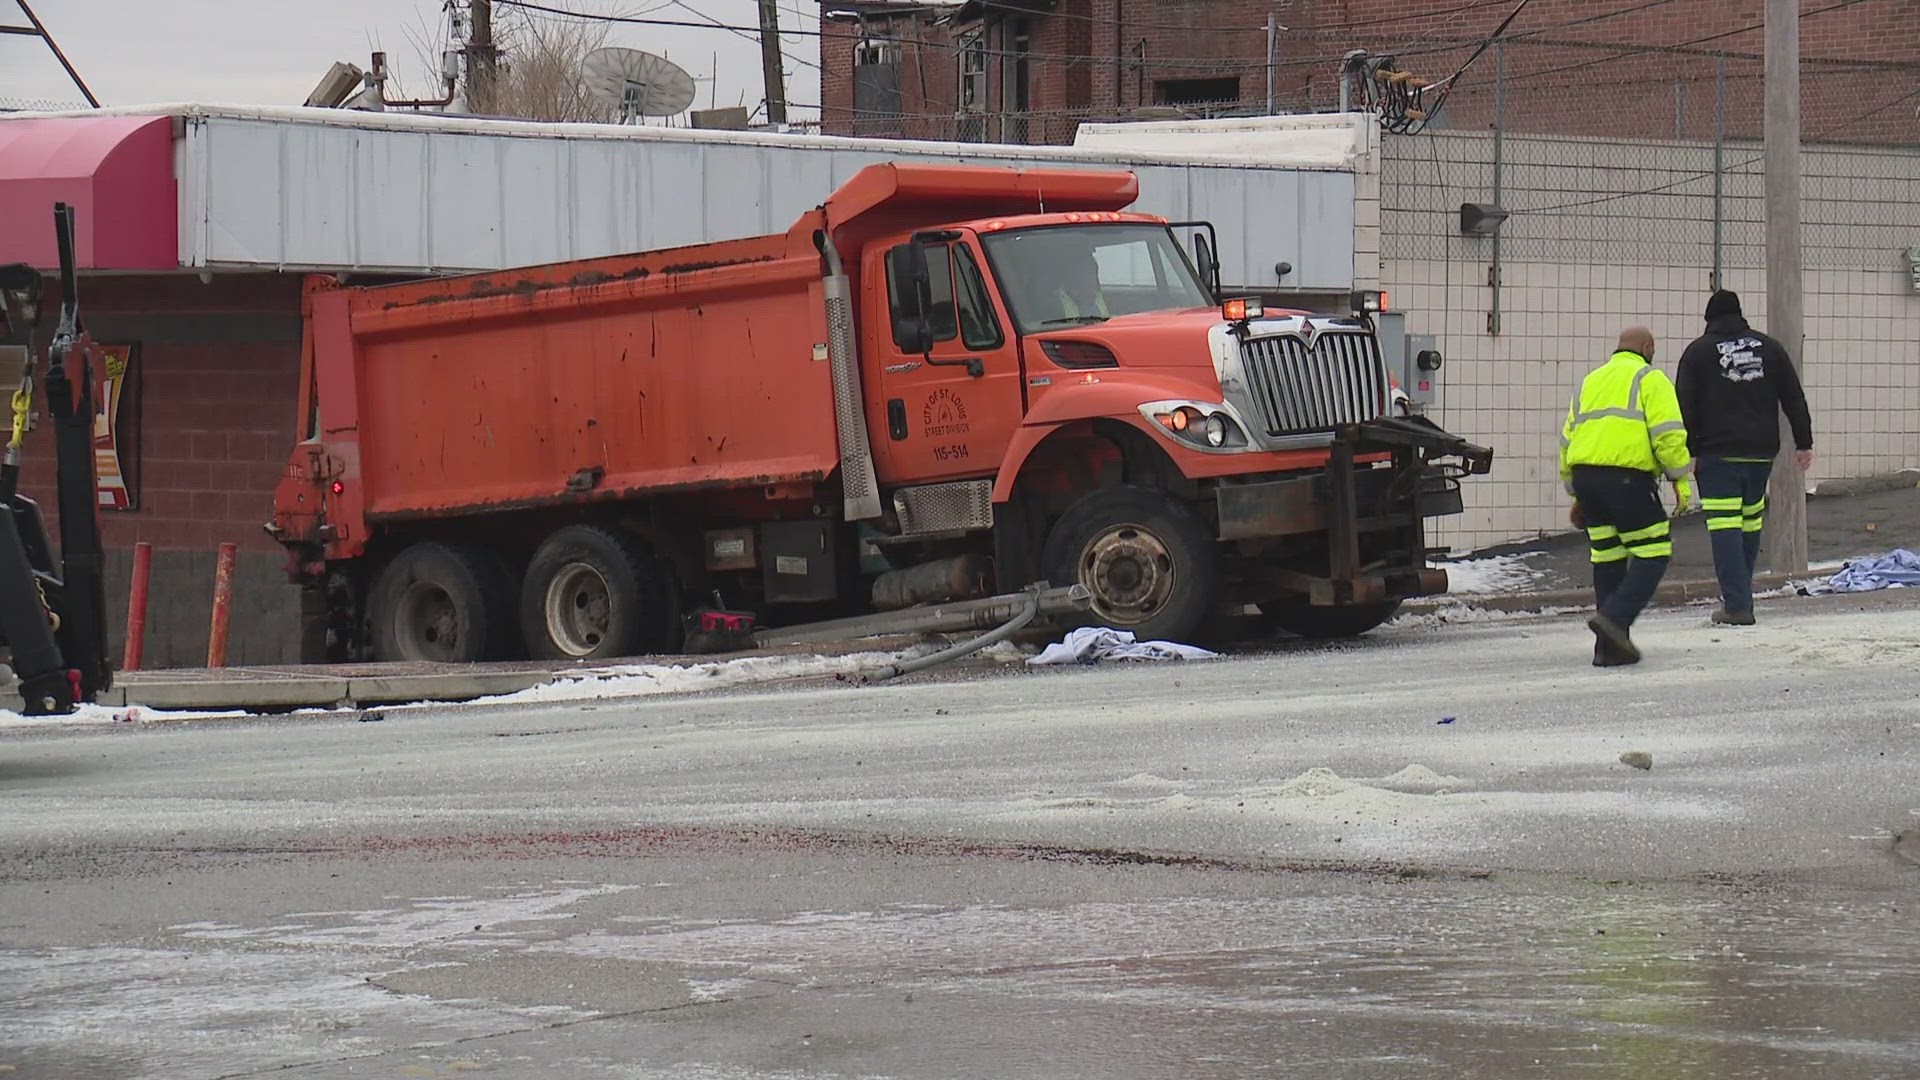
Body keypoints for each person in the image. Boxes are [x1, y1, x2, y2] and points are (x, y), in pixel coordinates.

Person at [1675, 289, 1814, 626]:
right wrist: (1803, 441)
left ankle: (1738, 606)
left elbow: (1684, 406)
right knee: (1749, 523)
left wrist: (1688, 450)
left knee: (1724, 527)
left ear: (1709, 318)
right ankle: (1741, 595)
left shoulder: (1697, 352)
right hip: (1761, 453)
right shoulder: (1769, 348)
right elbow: (1792, 394)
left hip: (1718, 455)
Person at [1561, 327, 1695, 666]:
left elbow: (1567, 439)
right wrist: (1679, 476)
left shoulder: (1591, 381)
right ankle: (1616, 619)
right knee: (1654, 551)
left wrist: (1574, 490)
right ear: (1648, 347)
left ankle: (1608, 650)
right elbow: (1668, 435)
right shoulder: (1651, 379)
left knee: (1608, 558)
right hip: (1627, 479)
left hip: (1586, 479)